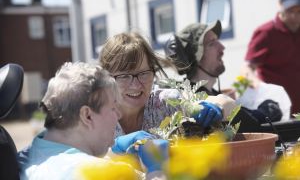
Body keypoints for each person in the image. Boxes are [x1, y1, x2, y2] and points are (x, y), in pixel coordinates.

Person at [17, 62, 169, 180]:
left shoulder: (25, 156)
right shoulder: (101, 173)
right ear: (87, 115)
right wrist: (157, 170)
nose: (118, 115)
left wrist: (112, 150)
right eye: (113, 107)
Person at [99, 32, 234, 137]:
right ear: (108, 79)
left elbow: (229, 103)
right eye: (124, 76)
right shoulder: (95, 117)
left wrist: (217, 108)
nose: (135, 85)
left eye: (143, 73)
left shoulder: (165, 103)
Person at [164, 20, 283, 131]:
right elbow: (253, 123)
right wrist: (269, 106)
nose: (222, 47)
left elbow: (240, 100)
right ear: (195, 57)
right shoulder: (199, 102)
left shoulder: (213, 93)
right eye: (211, 43)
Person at [244, 0, 300, 115]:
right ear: (280, 5)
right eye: (290, 10)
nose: (294, 16)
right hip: (277, 115)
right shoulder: (266, 32)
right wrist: (254, 87)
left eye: (299, 11)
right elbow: (246, 70)